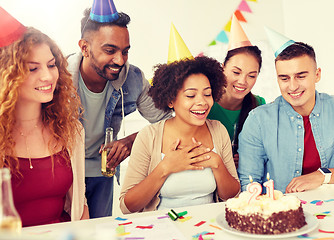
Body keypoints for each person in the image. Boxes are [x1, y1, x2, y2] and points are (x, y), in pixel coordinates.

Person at [67, 2, 171, 218]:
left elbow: (167, 121)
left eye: (125, 51)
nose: (120, 60)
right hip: (63, 173)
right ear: (84, 47)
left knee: (97, 231)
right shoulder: (58, 77)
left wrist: (131, 141)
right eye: (110, 50)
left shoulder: (133, 79)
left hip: (102, 174)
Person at [237, 28, 334, 193]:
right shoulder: (258, 120)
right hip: (282, 214)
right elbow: (249, 183)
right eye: (284, 78)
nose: (293, 86)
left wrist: (322, 175)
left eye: (301, 76)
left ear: (317, 75)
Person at [0, 8, 89, 227]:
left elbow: (80, 203)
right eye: (33, 68)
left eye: (51, 65)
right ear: (8, 76)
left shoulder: (71, 130)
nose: (48, 76)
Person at [119, 56, 240, 214]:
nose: (202, 102)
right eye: (191, 96)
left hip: (208, 229)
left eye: (207, 94)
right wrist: (165, 167)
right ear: (170, 100)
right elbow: (127, 207)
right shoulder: (149, 136)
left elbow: (232, 196)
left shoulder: (218, 130)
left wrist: (217, 163)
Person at [207, 15, 265, 168]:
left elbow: (265, 151)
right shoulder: (204, 104)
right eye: (236, 72)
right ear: (222, 67)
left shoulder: (259, 105)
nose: (243, 82)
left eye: (251, 75)